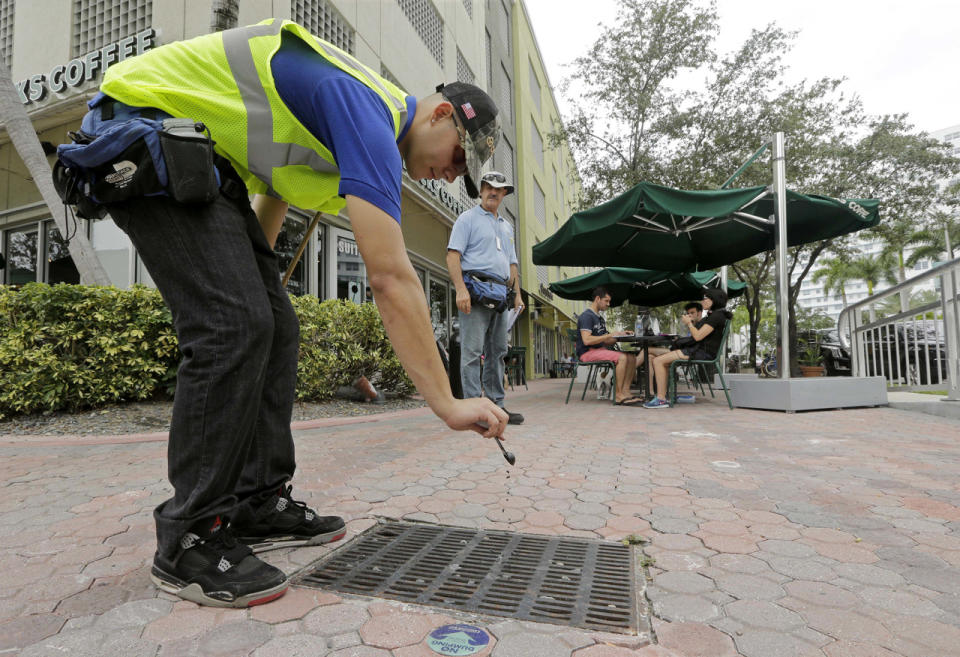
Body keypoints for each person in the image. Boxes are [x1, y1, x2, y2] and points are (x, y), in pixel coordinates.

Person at [57, 19, 509, 608]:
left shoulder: (363, 128)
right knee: (233, 327)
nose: (454, 175)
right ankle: (189, 537)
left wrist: (258, 282)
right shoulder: (365, 106)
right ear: (441, 115)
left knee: (272, 325)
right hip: (138, 130)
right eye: (457, 158)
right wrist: (447, 403)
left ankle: (255, 500)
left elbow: (275, 190)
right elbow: (391, 277)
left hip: (201, 161)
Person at [447, 171, 525, 424]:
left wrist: (517, 295)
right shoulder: (467, 219)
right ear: (480, 190)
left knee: (498, 352)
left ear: (504, 194)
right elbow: (453, 256)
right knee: (471, 353)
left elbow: (512, 263)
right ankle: (473, 410)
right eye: (488, 187)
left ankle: (497, 407)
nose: (493, 191)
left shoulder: (507, 226)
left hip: (501, 294)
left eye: (499, 188)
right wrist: (460, 289)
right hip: (475, 291)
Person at [644, 288, 731, 409]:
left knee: (658, 361)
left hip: (702, 353)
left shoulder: (716, 316)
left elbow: (698, 336)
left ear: (714, 300)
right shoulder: (717, 315)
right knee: (659, 360)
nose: (702, 301)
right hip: (700, 351)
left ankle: (661, 399)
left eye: (705, 298)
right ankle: (662, 396)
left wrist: (689, 323)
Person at [575, 287, 640, 405]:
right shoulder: (586, 316)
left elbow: (606, 341)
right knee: (622, 358)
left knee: (632, 358)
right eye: (606, 301)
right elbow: (586, 340)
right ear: (597, 299)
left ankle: (625, 391)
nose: (608, 304)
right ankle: (618, 395)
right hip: (586, 352)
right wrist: (608, 335)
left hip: (599, 349)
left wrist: (620, 335)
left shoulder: (599, 318)